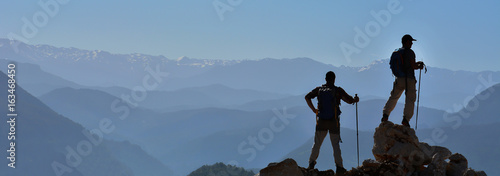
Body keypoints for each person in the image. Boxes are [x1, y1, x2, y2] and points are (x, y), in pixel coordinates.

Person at [305, 71, 359, 174]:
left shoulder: (319, 90)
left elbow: (307, 97)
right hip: (333, 122)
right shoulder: (337, 91)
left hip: (321, 122)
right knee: (335, 145)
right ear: (334, 79)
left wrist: (314, 110)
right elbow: (349, 100)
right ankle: (339, 167)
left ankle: (311, 164)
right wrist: (355, 99)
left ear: (325, 79)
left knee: (317, 144)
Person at [381, 34, 425, 127]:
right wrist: (419, 66)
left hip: (399, 78)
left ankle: (385, 114)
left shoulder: (398, 51)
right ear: (407, 42)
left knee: (394, 97)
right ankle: (406, 119)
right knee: (410, 99)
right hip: (409, 79)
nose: (412, 43)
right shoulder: (410, 52)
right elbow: (413, 66)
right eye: (411, 41)